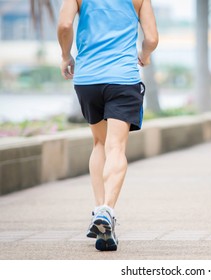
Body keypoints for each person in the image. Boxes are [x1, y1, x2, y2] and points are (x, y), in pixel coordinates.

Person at [57, 0, 158, 251]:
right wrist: (144, 55)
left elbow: (65, 24)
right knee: (116, 147)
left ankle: (100, 213)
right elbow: (152, 38)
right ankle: (107, 211)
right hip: (123, 78)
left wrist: (65, 54)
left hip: (88, 79)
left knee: (100, 143)